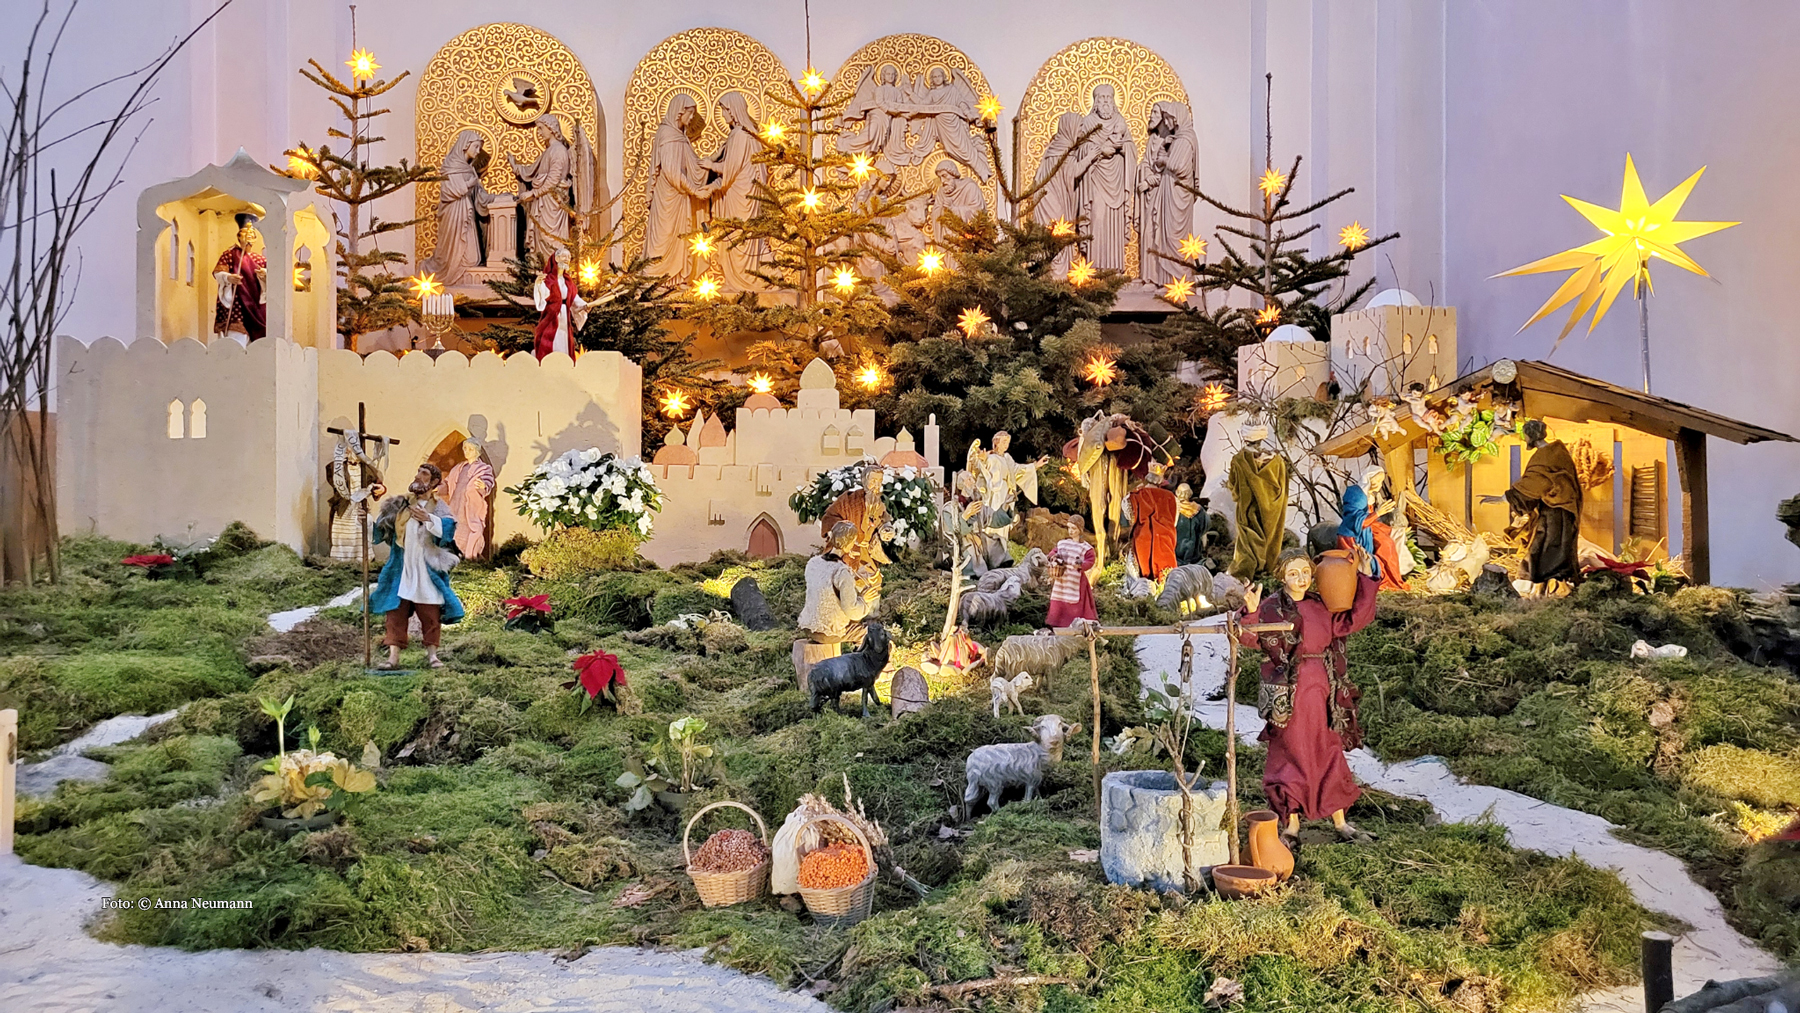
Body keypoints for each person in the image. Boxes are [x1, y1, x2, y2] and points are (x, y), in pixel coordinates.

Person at [1239, 547, 1378, 845]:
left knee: (1328, 748)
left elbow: (1353, 619)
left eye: (1305, 572)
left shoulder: (1321, 604)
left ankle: (1340, 822)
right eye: (1293, 573)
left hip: (1324, 689)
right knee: (1292, 751)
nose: (1301, 579)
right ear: (1282, 577)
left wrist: (1365, 579)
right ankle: (1291, 825)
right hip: (1289, 691)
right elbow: (1250, 638)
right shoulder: (1273, 607)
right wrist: (1251, 612)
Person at [369, 464, 465, 670]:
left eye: (424, 474)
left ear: (434, 482)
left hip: (426, 570)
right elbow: (382, 527)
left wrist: (428, 519)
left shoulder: (438, 507)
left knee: (430, 615)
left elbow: (448, 529)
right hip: (402, 569)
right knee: (395, 613)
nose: (418, 476)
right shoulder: (400, 505)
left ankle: (432, 656)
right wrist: (366, 522)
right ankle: (393, 657)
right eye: (418, 472)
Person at [1492, 418, 1582, 588]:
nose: (1524, 438)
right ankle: (1543, 578)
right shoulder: (1553, 452)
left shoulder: (1547, 456)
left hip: (1557, 509)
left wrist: (1505, 498)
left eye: (1525, 435)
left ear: (1532, 436)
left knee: (1551, 544)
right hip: (1554, 506)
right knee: (1546, 542)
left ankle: (1550, 580)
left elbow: (1537, 481)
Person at [702, 91, 768, 292]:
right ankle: (739, 279)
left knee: (739, 235)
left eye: (724, 110)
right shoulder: (742, 133)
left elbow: (731, 167)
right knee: (739, 234)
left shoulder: (740, 135)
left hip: (741, 194)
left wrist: (710, 166)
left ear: (733, 110)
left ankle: (743, 279)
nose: (723, 115)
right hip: (740, 191)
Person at [644, 94, 712, 281]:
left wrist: (716, 162)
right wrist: (694, 190)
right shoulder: (668, 135)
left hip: (679, 197)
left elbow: (694, 165)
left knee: (679, 238)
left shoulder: (680, 136)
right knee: (664, 237)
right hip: (668, 197)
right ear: (679, 112)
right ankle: (655, 280)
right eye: (690, 113)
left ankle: (676, 280)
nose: (691, 118)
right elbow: (672, 171)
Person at [1074, 84, 1136, 273]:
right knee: (1097, 218)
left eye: (1109, 98)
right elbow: (1080, 149)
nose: (1105, 102)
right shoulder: (1088, 122)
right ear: (1095, 102)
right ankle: (1095, 267)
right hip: (1095, 178)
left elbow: (1131, 148)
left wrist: (1122, 149)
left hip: (1117, 180)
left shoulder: (1120, 120)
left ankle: (1115, 268)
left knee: (1114, 223)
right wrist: (1101, 150)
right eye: (1101, 98)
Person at [1136, 101, 1197, 285]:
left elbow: (1179, 167)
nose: (1167, 122)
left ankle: (1177, 282)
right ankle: (1165, 281)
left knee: (1173, 237)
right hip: (1169, 191)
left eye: (1169, 118)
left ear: (1177, 118)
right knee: (1164, 235)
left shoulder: (1185, 139)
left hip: (1178, 195)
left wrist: (1163, 161)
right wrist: (1163, 150)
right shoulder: (1177, 139)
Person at [420, 130, 492, 287]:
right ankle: (438, 272)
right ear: (465, 145)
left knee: (472, 259)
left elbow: (479, 194)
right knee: (451, 254)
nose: (478, 151)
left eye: (479, 148)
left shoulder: (470, 168)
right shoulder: (451, 165)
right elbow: (449, 191)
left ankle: (462, 278)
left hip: (467, 214)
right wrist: (469, 184)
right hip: (453, 213)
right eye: (476, 147)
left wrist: (496, 198)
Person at [1033, 111, 1098, 277]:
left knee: (1051, 234)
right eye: (1080, 126)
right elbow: (1073, 172)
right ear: (1071, 127)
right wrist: (1090, 157)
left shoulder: (1055, 146)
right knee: (1059, 233)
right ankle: (1058, 276)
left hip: (1045, 197)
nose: (1082, 130)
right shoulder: (1064, 149)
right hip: (1052, 199)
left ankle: (1049, 274)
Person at [510, 114, 576, 260]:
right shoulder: (549, 150)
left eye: (541, 128)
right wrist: (515, 166)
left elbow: (553, 179)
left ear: (551, 128)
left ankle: (553, 268)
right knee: (541, 235)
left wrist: (534, 193)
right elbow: (531, 171)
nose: (539, 133)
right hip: (544, 200)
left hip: (553, 201)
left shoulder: (559, 150)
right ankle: (542, 266)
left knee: (550, 237)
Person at [798, 521, 876, 646]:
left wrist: (854, 578)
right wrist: (864, 600)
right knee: (867, 634)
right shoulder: (842, 572)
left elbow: (825, 585)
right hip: (828, 633)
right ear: (850, 544)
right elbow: (852, 611)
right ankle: (858, 657)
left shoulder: (813, 563)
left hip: (809, 628)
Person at [212, 212, 267, 342]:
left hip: (255, 303)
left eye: (251, 234)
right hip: (237, 301)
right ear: (239, 236)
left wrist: (264, 274)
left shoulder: (260, 259)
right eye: (245, 234)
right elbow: (218, 272)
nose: (248, 236)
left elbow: (272, 277)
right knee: (236, 339)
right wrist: (228, 278)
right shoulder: (229, 254)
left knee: (256, 343)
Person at [443, 439, 495, 559]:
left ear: (477, 451)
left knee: (469, 530)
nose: (467, 451)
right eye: (465, 448)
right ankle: (453, 557)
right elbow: (447, 483)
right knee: (454, 529)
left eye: (470, 449)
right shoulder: (458, 468)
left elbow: (487, 481)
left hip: (470, 507)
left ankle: (468, 558)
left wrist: (484, 485)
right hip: (455, 504)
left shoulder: (483, 468)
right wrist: (437, 488)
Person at [532, 251, 587, 359]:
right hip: (552, 315)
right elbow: (543, 294)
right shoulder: (548, 279)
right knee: (551, 337)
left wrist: (584, 306)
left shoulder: (568, 281)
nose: (567, 259)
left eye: (569, 257)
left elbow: (574, 298)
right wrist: (538, 285)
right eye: (564, 256)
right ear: (556, 259)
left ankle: (564, 360)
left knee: (564, 337)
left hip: (565, 316)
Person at [1047, 514, 1099, 627]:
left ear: (1080, 529)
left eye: (1074, 528)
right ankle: (1057, 623)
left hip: (1075, 579)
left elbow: (1090, 560)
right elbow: (1054, 552)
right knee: (1058, 598)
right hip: (1061, 578)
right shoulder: (1063, 543)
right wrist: (1053, 557)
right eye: (1069, 528)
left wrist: (1081, 565)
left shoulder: (1086, 548)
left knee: (1074, 601)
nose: (1071, 531)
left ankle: (1074, 624)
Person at [931, 159, 986, 244]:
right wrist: (943, 210)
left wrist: (953, 209)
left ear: (953, 174)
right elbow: (935, 213)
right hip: (947, 239)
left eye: (944, 176)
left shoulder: (970, 187)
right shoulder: (941, 192)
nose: (942, 181)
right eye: (940, 177)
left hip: (967, 240)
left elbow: (978, 213)